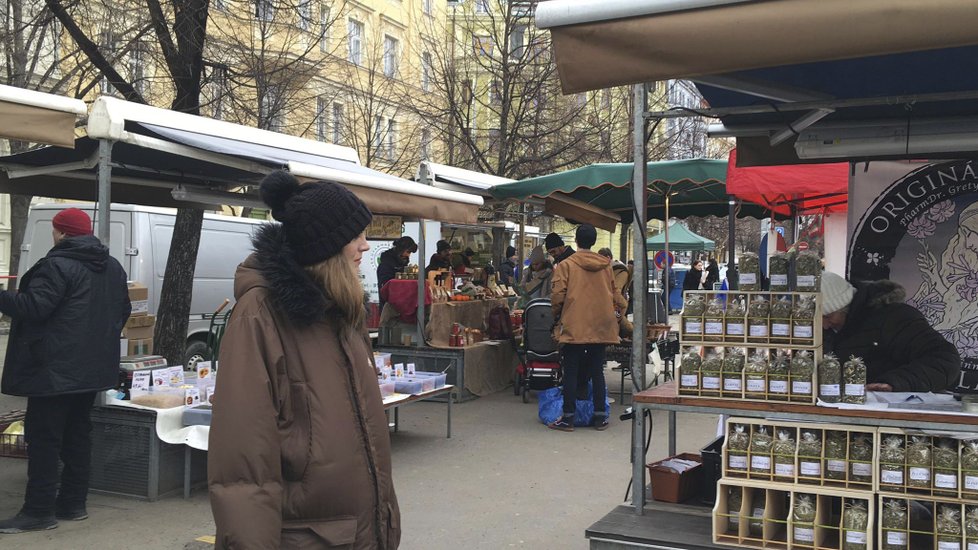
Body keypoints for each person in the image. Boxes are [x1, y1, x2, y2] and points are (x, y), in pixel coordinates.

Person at [208, 171, 400, 548]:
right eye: (355, 236)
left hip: (361, 532)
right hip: (309, 537)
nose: (365, 246)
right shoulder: (260, 315)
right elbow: (244, 470)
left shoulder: (345, 311)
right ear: (324, 248)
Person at [0, 208, 130, 534]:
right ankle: (73, 504)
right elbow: (123, 311)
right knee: (76, 436)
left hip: (53, 371)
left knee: (44, 440)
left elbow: (34, 307)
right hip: (90, 370)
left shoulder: (57, 265)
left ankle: (38, 511)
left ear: (60, 233)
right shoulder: (112, 266)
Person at [820, 271, 961, 393]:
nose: (824, 325)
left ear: (845, 306)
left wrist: (895, 383)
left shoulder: (895, 318)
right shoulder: (819, 328)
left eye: (828, 316)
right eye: (817, 319)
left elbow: (944, 360)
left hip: (893, 412)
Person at [549, 224, 626, 432]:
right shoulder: (606, 265)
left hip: (574, 324)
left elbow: (558, 295)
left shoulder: (566, 265)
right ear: (594, 242)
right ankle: (600, 417)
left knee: (571, 370)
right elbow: (616, 294)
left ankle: (568, 418)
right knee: (597, 371)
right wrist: (620, 313)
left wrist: (556, 315)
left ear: (576, 240)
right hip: (601, 325)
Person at [598, 248, 633, 335]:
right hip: (608, 302)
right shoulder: (606, 269)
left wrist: (623, 304)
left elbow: (617, 289)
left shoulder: (620, 271)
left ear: (608, 258)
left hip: (615, 303)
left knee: (618, 320)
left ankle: (633, 333)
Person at [377, 236, 418, 308]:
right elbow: (385, 288)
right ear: (400, 249)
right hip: (389, 306)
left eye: (410, 253)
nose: (408, 255)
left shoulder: (402, 263)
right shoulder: (386, 264)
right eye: (408, 252)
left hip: (402, 304)